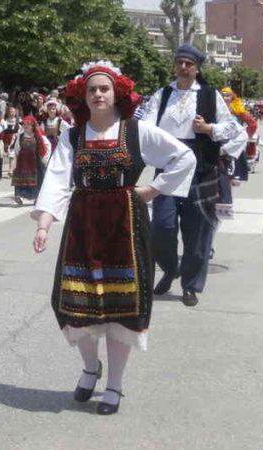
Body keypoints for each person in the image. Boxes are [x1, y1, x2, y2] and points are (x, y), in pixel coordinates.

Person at [32, 61, 195, 415]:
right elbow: (58, 180)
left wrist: (154, 188)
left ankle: (115, 385)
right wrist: (44, 223)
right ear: (83, 97)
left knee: (122, 308)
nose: (98, 94)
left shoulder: (136, 131)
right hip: (83, 225)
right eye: (92, 90)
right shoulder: (72, 136)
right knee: (77, 303)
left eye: (104, 89)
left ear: (117, 93)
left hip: (126, 225)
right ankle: (91, 368)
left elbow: (183, 156)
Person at [142, 45, 238, 306]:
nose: (184, 67)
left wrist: (208, 128)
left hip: (201, 165)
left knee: (198, 230)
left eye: (189, 63)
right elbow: (146, 125)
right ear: (175, 65)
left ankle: (191, 284)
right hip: (170, 163)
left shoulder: (209, 95)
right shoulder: (162, 94)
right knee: (162, 226)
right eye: (180, 62)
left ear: (197, 68)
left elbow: (231, 127)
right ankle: (170, 268)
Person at [11, 116, 51, 206]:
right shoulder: (20, 136)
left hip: (35, 162)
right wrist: (16, 161)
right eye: (24, 124)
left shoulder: (39, 137)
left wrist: (44, 159)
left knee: (37, 180)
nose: (25, 126)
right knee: (21, 180)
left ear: (33, 126)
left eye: (28, 124)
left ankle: (37, 197)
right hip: (23, 162)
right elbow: (17, 149)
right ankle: (19, 196)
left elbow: (47, 147)